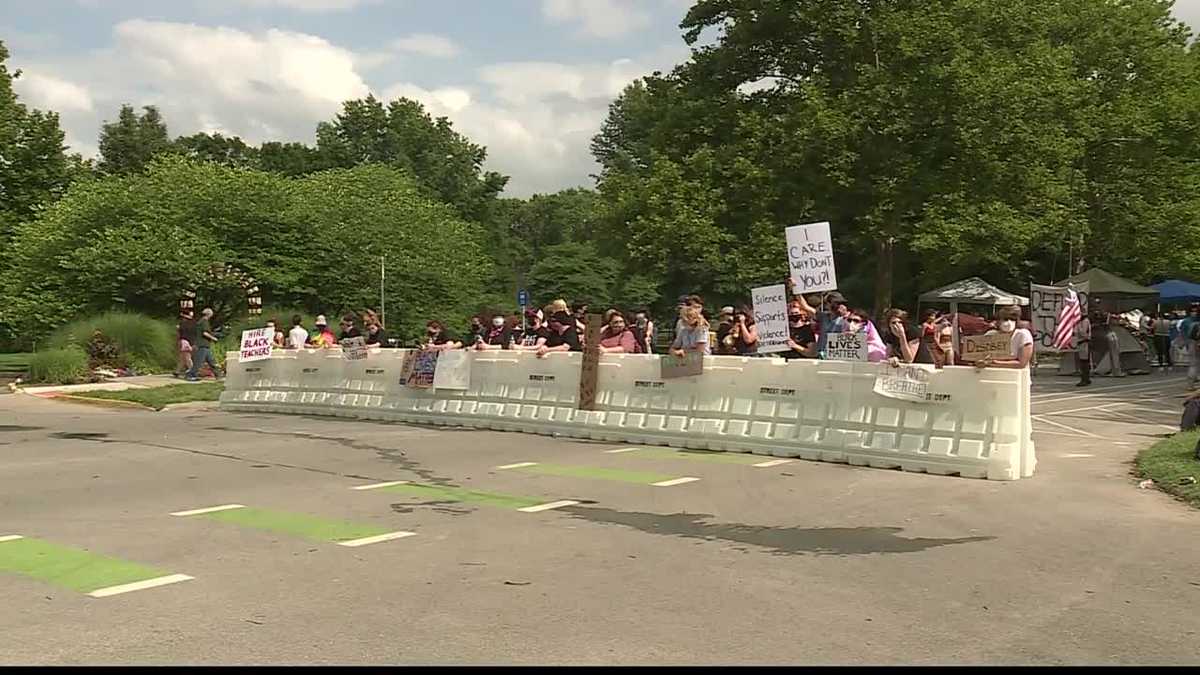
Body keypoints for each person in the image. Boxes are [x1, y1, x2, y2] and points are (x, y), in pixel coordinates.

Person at [973, 306, 1033, 370]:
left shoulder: (1023, 335)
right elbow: (979, 355)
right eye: (1005, 319)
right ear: (998, 321)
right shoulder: (991, 334)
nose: (1009, 322)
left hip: (1016, 374)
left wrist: (994, 363)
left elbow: (1022, 364)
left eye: (1012, 319)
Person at [186, 307, 222, 381]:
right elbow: (205, 333)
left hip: (205, 345)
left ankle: (218, 374)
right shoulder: (204, 322)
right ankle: (191, 375)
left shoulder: (201, 321)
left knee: (211, 361)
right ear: (209, 314)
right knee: (198, 362)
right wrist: (213, 338)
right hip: (202, 345)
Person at [176, 308, 196, 378]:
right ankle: (178, 371)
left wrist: (178, 341)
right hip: (189, 341)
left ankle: (192, 372)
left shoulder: (182, 324)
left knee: (186, 357)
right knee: (184, 357)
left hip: (185, 341)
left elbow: (178, 334)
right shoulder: (193, 323)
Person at [1075, 311, 1092, 387]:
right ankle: (1086, 378)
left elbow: (1083, 332)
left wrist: (1077, 327)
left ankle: (1085, 379)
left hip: (1084, 342)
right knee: (1083, 361)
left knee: (1084, 362)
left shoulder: (1085, 321)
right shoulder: (1081, 321)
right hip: (1081, 343)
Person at [1106, 311, 1125, 377]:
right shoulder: (1111, 318)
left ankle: (1114, 371)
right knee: (1115, 355)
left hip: (1112, 335)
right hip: (1113, 336)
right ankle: (1117, 372)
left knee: (1113, 355)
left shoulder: (1110, 317)